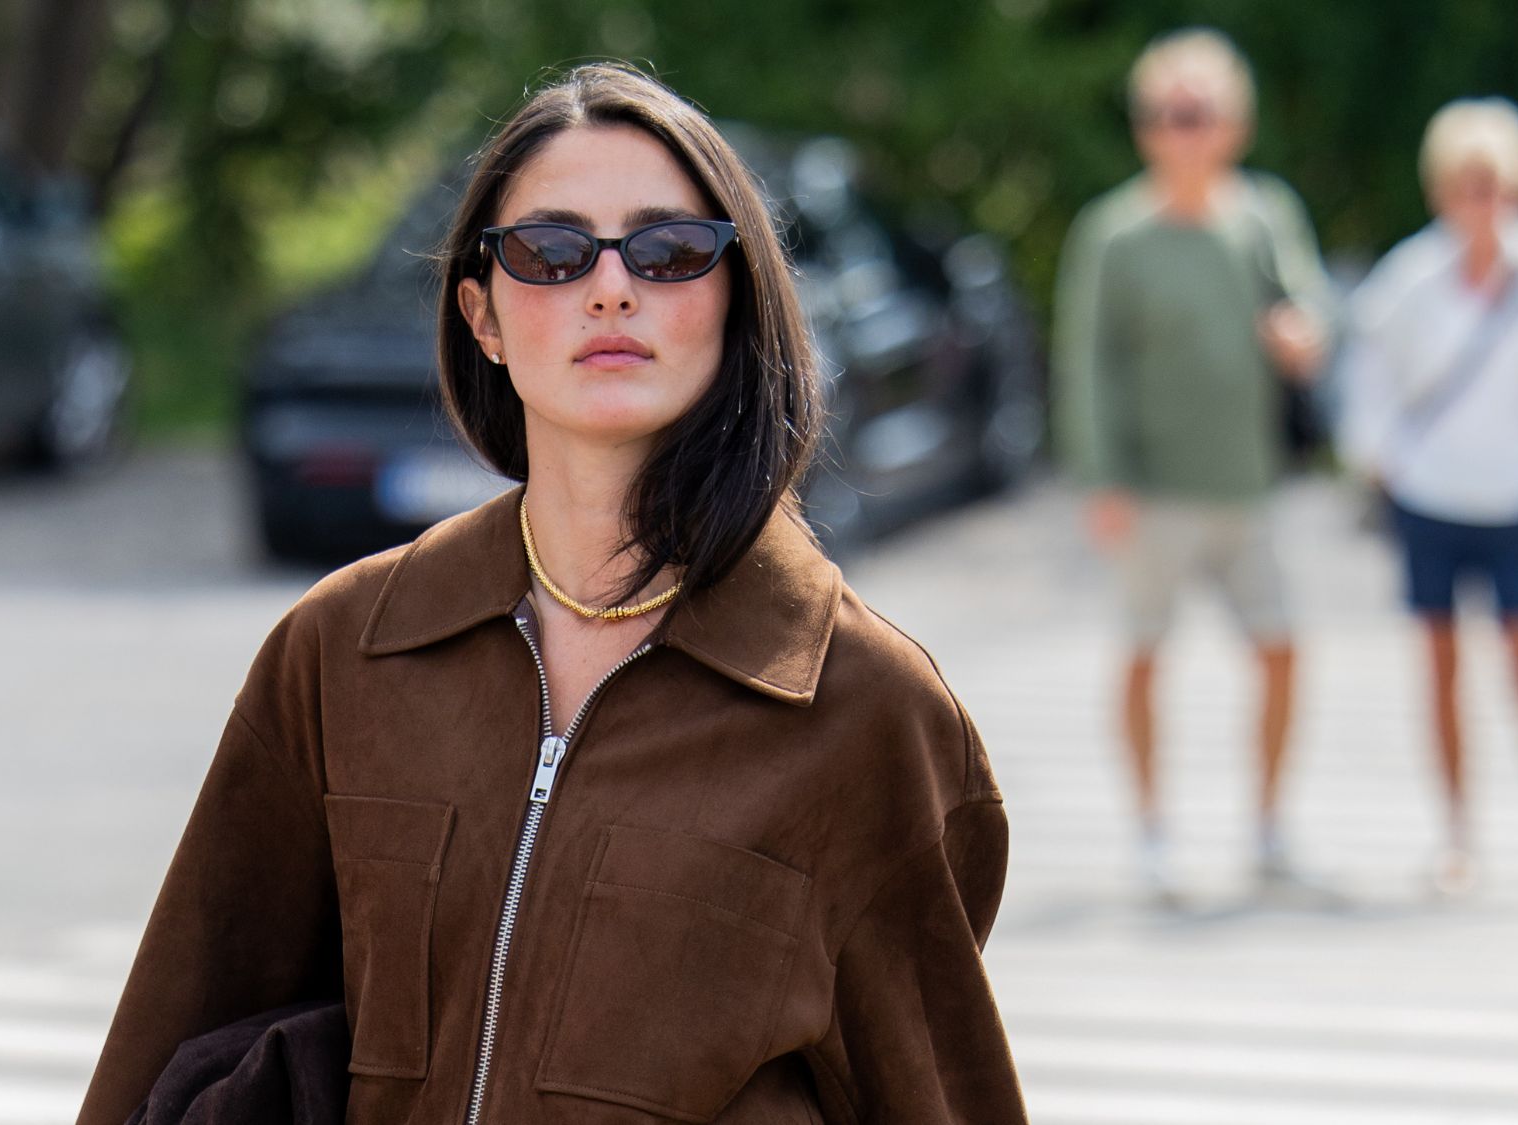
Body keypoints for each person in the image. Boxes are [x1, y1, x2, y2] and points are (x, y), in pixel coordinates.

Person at [77, 64, 1026, 1125]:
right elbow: (172, 1051)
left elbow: (936, 1097)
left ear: (735, 300)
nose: (610, 288)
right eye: (552, 252)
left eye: (668, 251)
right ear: (480, 314)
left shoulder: (866, 709)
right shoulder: (342, 653)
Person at [1052, 28, 1336, 902]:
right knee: (1144, 656)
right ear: (1146, 128)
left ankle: (1268, 827)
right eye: (1168, 115)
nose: (1184, 131)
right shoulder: (1113, 235)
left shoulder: (1264, 216)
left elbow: (1311, 309)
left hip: (1248, 486)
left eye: (1199, 114)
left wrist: (1305, 336)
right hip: (1153, 493)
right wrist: (1100, 477)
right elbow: (1085, 362)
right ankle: (1150, 834)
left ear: (1233, 124)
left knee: (1283, 650)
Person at [1338, 98, 1518, 897]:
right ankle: (1457, 836)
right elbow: (1366, 382)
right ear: (1442, 189)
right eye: (1467, 184)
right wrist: (1387, 460)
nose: (1482, 201)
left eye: (1494, 183)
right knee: (1439, 671)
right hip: (1430, 502)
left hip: (1515, 506)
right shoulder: (1408, 280)